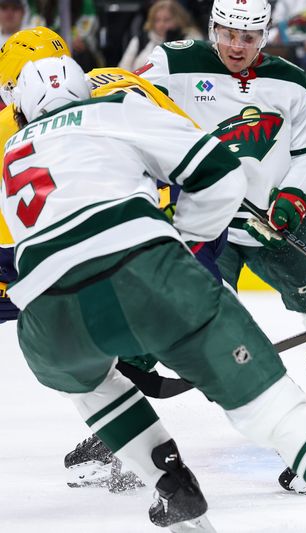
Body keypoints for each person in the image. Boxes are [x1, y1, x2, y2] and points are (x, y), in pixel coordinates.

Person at [2, 53, 306, 533]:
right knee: (273, 408)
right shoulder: (114, 107)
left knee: (92, 383)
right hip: (150, 273)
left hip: (47, 316)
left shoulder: (10, 149)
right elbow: (219, 171)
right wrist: (184, 243)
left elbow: (14, 256)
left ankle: (169, 481)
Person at [0, 25, 222, 492]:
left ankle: (129, 426)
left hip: (51, 254)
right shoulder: (120, 82)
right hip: (160, 226)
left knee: (79, 342)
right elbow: (193, 146)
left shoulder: (11, 122)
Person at [138, 0, 306, 414]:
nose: (236, 46)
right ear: (214, 28)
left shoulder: (290, 80)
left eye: (248, 37)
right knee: (185, 315)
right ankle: (126, 414)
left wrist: (292, 198)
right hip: (202, 221)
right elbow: (125, 99)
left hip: (272, 220)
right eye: (228, 35)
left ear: (265, 35)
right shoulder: (173, 61)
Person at [118, 0, 202, 71]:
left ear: (178, 19)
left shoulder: (191, 39)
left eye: (167, 20)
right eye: (157, 20)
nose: (161, 24)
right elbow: (123, 68)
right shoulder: (141, 39)